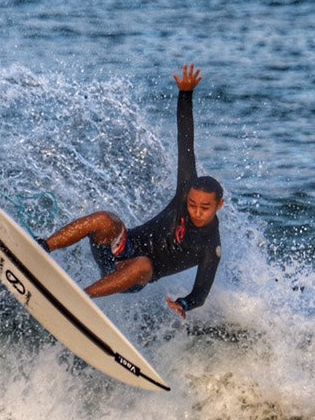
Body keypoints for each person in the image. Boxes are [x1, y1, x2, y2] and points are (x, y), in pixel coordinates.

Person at [40, 63, 223, 318]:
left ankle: (79, 299)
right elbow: (186, 143)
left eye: (205, 208)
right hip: (120, 248)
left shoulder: (210, 246)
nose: (196, 212)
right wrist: (185, 95)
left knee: (144, 264)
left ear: (218, 206)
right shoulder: (185, 192)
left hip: (134, 274)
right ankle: (43, 247)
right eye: (193, 204)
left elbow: (200, 293)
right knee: (105, 219)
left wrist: (184, 303)